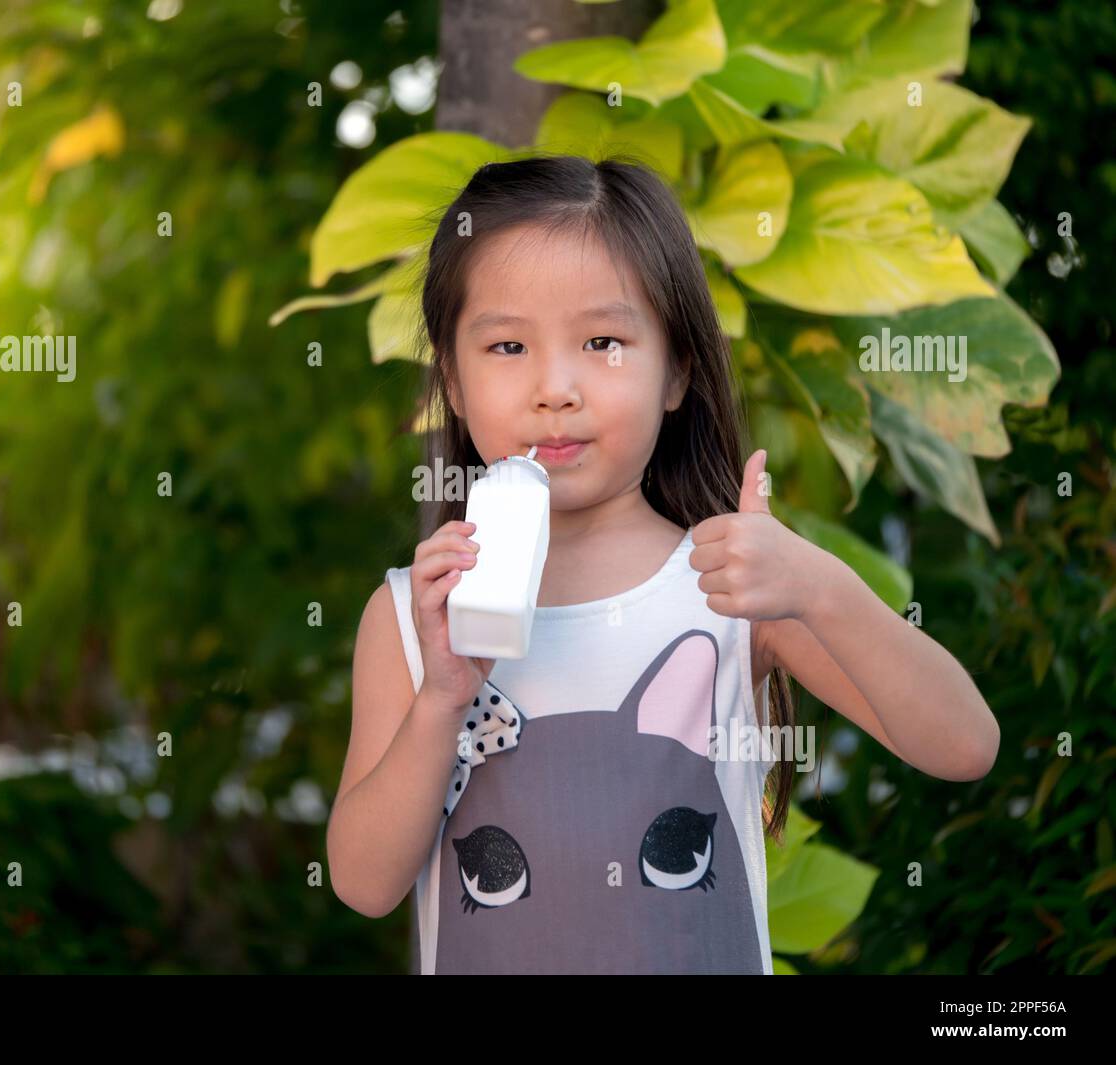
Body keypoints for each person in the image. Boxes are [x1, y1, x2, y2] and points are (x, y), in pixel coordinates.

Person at [326, 154, 1000, 974]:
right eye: (507, 345)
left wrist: (817, 587)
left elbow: (964, 744)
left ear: (677, 367)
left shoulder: (729, 588)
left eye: (603, 340)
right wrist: (440, 699)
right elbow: (363, 883)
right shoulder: (411, 616)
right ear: (454, 384)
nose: (555, 387)